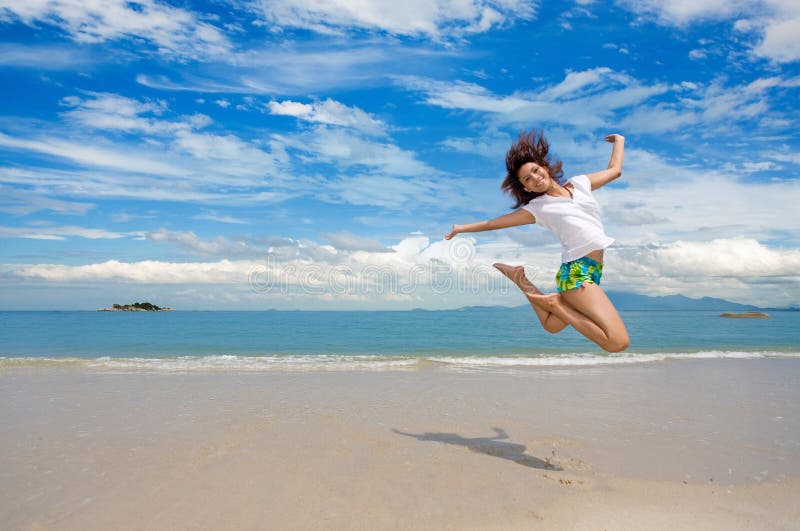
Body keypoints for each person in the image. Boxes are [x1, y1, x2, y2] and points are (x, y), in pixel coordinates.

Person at [445, 131, 629, 352]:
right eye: (527, 179)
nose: (535, 178)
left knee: (551, 325)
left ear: (544, 166)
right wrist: (461, 228)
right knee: (617, 342)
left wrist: (619, 141)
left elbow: (615, 170)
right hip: (576, 272)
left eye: (535, 170)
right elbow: (493, 224)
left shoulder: (580, 184)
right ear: (527, 188)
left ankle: (520, 279)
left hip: (592, 270)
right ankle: (553, 303)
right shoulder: (538, 208)